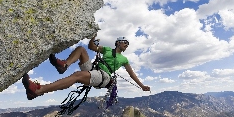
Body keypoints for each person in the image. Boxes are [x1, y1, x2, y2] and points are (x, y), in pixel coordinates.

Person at [22, 36, 151, 100]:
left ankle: (39, 90)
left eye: (127, 44)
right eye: (125, 42)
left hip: (104, 77)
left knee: (77, 76)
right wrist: (93, 38)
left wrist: (142, 86)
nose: (126, 45)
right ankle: (64, 65)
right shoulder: (106, 49)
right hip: (94, 69)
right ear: (118, 42)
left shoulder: (124, 59)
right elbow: (91, 47)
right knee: (81, 50)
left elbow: (131, 74)